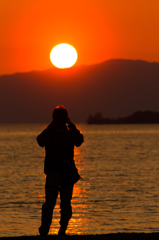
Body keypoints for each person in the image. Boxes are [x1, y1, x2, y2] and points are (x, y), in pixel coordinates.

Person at [37, 105, 84, 239]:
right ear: (66, 118)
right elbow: (79, 140)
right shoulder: (69, 132)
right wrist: (71, 125)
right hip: (66, 173)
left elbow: (40, 141)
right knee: (66, 204)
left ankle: (44, 232)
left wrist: (51, 126)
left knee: (49, 204)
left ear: (53, 118)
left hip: (52, 173)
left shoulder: (50, 132)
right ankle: (62, 231)